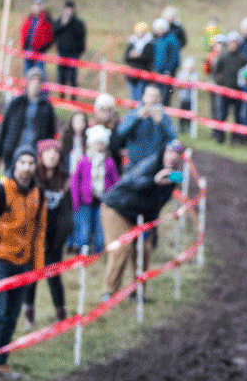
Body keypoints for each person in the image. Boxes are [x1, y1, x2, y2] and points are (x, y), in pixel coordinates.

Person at [0, 146, 45, 381]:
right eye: (22, 162)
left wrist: (38, 266)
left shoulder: (38, 194)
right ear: (14, 164)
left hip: (23, 263)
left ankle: (2, 363)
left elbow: (39, 232)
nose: (26, 167)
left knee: (13, 315)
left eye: (31, 163)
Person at [99, 140, 186, 301]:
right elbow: (130, 182)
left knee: (144, 251)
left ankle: (137, 292)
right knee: (121, 249)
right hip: (118, 209)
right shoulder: (151, 164)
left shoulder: (175, 175)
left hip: (142, 217)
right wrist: (153, 181)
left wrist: (151, 227)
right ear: (164, 152)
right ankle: (109, 293)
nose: (172, 157)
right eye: (169, 152)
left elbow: (159, 202)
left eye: (176, 154)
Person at [23, 140, 73, 325]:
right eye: (48, 152)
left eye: (55, 152)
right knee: (32, 275)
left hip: (56, 236)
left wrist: (65, 233)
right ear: (40, 155)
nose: (52, 155)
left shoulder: (65, 178)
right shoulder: (32, 178)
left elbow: (67, 210)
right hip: (34, 236)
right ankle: (29, 312)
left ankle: (61, 314)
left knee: (54, 274)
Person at [0, 68, 56, 175]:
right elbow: (4, 128)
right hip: (13, 148)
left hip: (35, 151)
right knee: (9, 180)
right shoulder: (16, 103)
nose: (35, 84)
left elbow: (51, 132)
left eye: (39, 81)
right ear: (28, 82)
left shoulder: (46, 107)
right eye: (33, 80)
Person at [71, 125, 117, 255]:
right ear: (90, 144)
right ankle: (83, 248)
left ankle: (99, 250)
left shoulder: (109, 162)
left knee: (100, 227)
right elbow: (75, 182)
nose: (99, 146)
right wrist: (76, 200)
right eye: (96, 143)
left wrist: (113, 199)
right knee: (84, 226)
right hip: (85, 200)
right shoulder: (84, 161)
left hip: (103, 201)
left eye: (102, 143)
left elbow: (115, 182)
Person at [112, 85, 176, 170]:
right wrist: (137, 118)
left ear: (160, 98)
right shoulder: (133, 114)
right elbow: (120, 133)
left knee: (176, 177)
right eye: (149, 96)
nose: (152, 99)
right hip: (134, 164)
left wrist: (161, 122)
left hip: (156, 165)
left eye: (155, 96)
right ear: (144, 97)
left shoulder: (165, 118)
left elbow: (174, 138)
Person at [211, 34, 246, 143]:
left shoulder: (243, 59)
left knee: (237, 116)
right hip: (224, 91)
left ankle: (236, 138)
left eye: (235, 43)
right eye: (231, 43)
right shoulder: (223, 57)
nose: (233, 45)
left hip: (238, 91)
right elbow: (216, 72)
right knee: (222, 114)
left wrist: (245, 81)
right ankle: (220, 136)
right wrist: (221, 84)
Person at [52, 0, 87, 90]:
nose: (68, 11)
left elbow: (81, 37)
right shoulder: (60, 20)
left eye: (70, 9)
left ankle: (73, 98)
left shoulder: (78, 23)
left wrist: (79, 51)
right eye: (67, 9)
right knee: (61, 76)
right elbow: (54, 31)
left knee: (72, 77)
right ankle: (61, 96)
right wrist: (63, 24)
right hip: (62, 52)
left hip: (73, 54)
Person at [19, 0, 53, 78]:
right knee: (27, 74)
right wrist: (23, 46)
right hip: (27, 50)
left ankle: (41, 90)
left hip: (39, 53)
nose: (37, 7)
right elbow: (23, 33)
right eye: (35, 5)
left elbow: (49, 37)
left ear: (42, 6)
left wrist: (42, 48)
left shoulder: (46, 19)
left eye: (39, 5)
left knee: (39, 75)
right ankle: (27, 90)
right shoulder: (29, 19)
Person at [150, 17, 182, 106]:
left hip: (167, 73)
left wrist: (169, 70)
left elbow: (174, 57)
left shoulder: (172, 39)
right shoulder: (154, 39)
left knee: (165, 96)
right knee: (154, 94)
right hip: (155, 72)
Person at [124, 21, 153, 101]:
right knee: (132, 98)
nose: (140, 33)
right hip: (131, 75)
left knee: (140, 96)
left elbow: (149, 58)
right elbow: (126, 57)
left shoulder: (149, 44)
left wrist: (139, 56)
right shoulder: (132, 43)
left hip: (143, 74)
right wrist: (132, 55)